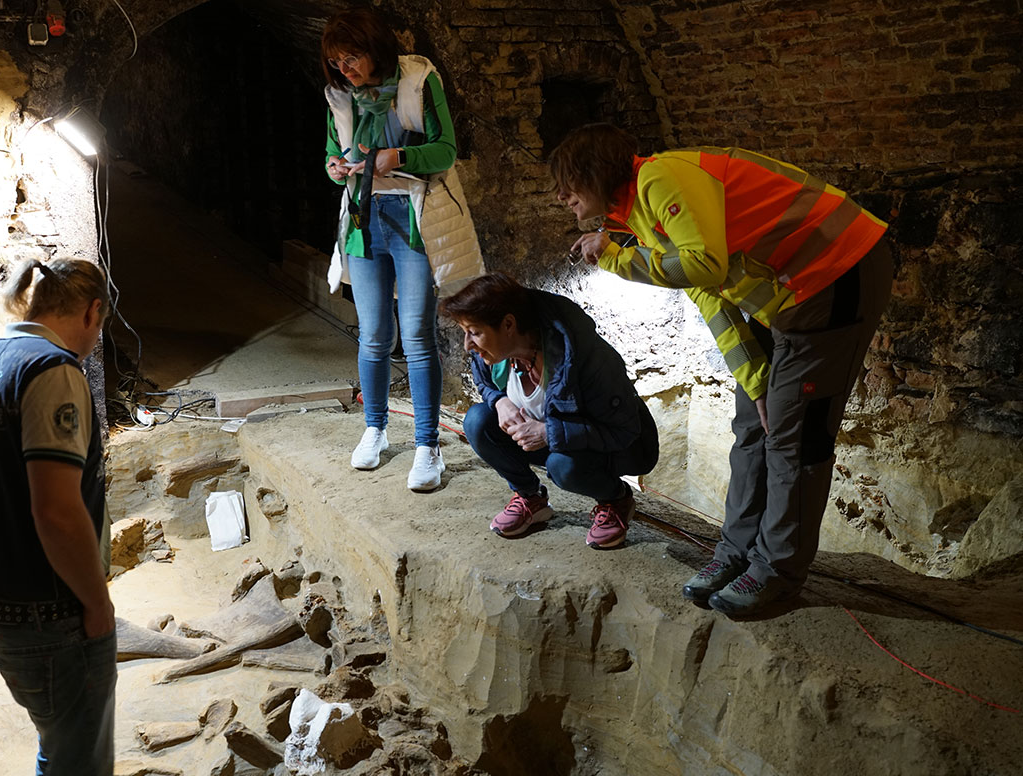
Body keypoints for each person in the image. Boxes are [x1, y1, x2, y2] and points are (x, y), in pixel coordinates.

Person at [550, 123, 893, 616]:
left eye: (568, 182)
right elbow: (713, 300)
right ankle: (735, 554)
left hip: (837, 273)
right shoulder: (642, 217)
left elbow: (705, 266)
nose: (563, 197)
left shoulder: (662, 180)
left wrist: (616, 258)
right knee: (754, 422)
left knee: (795, 437)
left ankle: (776, 573)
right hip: (791, 295)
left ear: (597, 173)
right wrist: (754, 380)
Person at [0, 258, 140, 776]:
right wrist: (98, 603)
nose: (95, 341)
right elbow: (56, 512)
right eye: (99, 328)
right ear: (90, 312)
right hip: (50, 611)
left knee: (61, 745)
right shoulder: (54, 372)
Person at [321, 7, 484, 491]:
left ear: (377, 49)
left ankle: (427, 444)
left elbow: (445, 150)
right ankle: (374, 428)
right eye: (337, 61)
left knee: (415, 333)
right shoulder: (341, 96)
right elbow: (334, 150)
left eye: (352, 57)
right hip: (364, 218)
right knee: (372, 333)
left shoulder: (417, 80)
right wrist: (333, 166)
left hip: (414, 219)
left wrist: (401, 157)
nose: (345, 69)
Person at [440, 273, 658, 548]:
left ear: (508, 324)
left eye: (475, 332)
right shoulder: (493, 355)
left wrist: (548, 432)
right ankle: (531, 498)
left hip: (616, 447)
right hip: (556, 439)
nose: (467, 344)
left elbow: (623, 431)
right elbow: (483, 380)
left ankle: (616, 498)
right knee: (477, 420)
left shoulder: (584, 359)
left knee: (562, 466)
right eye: (465, 332)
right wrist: (500, 401)